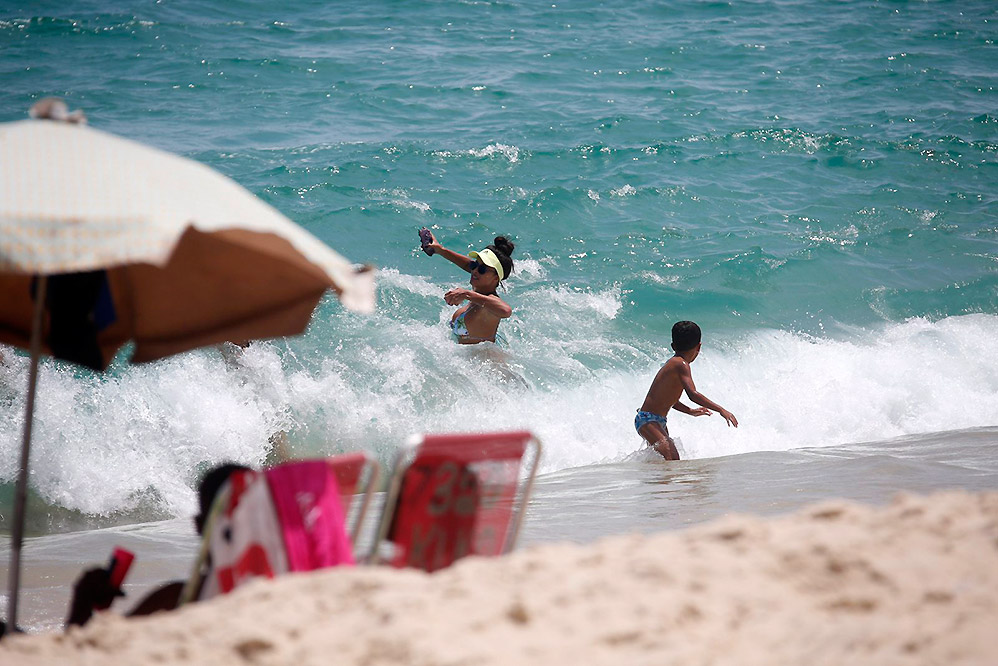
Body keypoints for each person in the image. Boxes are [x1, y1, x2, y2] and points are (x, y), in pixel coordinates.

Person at [65, 463, 250, 628]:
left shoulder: (177, 600)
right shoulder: (274, 592)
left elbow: (91, 652)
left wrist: (82, 602)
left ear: (198, 525)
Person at [635, 321, 738, 460]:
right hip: (648, 419)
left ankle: (650, 481)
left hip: (654, 420)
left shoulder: (675, 363)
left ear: (673, 346)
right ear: (699, 347)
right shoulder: (680, 364)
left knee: (659, 462)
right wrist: (721, 409)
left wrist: (690, 411)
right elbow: (693, 394)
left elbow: (670, 400)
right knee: (672, 458)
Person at [419, 230, 515, 344]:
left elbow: (506, 311)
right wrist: (440, 250)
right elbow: (466, 264)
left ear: (496, 278)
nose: (474, 270)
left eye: (482, 269)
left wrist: (466, 294)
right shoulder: (479, 295)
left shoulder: (490, 303)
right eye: (474, 265)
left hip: (486, 360)